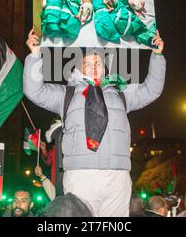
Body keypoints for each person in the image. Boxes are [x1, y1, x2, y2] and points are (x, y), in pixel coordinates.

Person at [23, 28, 166, 217]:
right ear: (79, 69)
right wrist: (35, 55)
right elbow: (34, 91)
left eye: (98, 62)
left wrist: (157, 55)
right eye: (87, 63)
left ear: (105, 68)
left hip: (117, 176)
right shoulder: (66, 95)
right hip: (81, 175)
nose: (93, 66)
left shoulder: (122, 94)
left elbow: (151, 90)